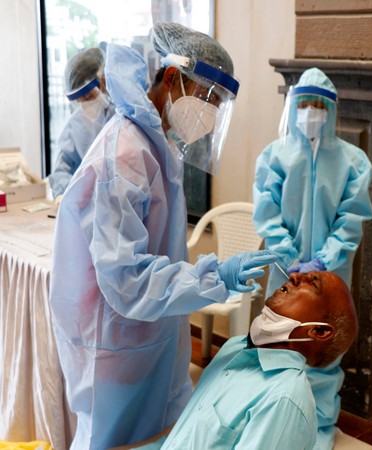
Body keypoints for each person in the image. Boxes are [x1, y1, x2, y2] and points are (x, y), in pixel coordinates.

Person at [49, 23, 275, 450]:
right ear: (172, 78)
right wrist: (214, 277)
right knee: (112, 440)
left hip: (145, 335)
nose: (209, 113)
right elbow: (127, 279)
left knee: (154, 434)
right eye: (207, 96)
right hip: (117, 345)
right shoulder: (125, 154)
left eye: (218, 104)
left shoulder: (155, 146)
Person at [253, 67, 372, 449]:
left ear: (331, 110)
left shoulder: (354, 163)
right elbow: (266, 212)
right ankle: (276, 418)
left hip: (330, 277)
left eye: (317, 105)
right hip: (285, 275)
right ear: (292, 108)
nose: (309, 112)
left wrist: (325, 259)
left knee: (324, 348)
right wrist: (286, 254)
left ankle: (319, 425)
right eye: (303, 104)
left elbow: (352, 218)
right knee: (280, 343)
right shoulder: (273, 156)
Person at [110, 271, 359, 450]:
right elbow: (189, 425)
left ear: (318, 331)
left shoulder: (283, 401)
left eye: (312, 283)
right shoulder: (234, 347)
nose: (294, 276)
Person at [48, 47, 115, 200]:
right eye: (81, 100)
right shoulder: (76, 124)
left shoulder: (121, 116)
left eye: (90, 97)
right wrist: (63, 194)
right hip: (86, 205)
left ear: (103, 83)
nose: (87, 104)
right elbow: (62, 169)